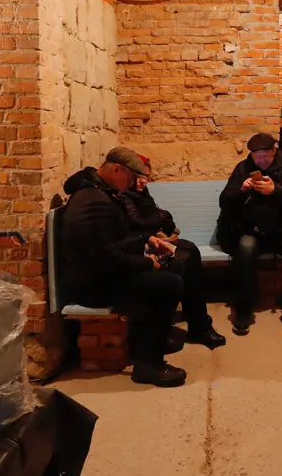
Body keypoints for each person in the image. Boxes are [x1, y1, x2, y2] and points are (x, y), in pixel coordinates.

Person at [59, 148, 187, 388]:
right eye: (130, 177)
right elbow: (105, 258)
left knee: (174, 267)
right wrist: (146, 262)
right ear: (117, 169)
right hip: (92, 285)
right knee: (169, 284)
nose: (131, 184)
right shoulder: (93, 201)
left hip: (100, 274)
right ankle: (148, 366)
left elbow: (112, 243)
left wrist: (147, 240)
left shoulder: (100, 192)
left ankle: (152, 341)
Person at [122, 155, 226, 350]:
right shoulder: (125, 195)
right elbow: (137, 222)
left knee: (190, 251)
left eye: (146, 176)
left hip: (148, 241)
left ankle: (198, 321)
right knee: (184, 258)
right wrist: (162, 217)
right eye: (139, 176)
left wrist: (163, 221)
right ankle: (197, 324)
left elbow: (153, 216)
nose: (143, 181)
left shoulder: (141, 193)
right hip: (139, 248)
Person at [217, 133, 282, 335]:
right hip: (251, 230)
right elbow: (223, 201)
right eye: (257, 157)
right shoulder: (243, 168)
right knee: (245, 249)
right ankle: (244, 309)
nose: (261, 161)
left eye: (265, 156)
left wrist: (275, 190)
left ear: (274, 151)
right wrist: (241, 190)